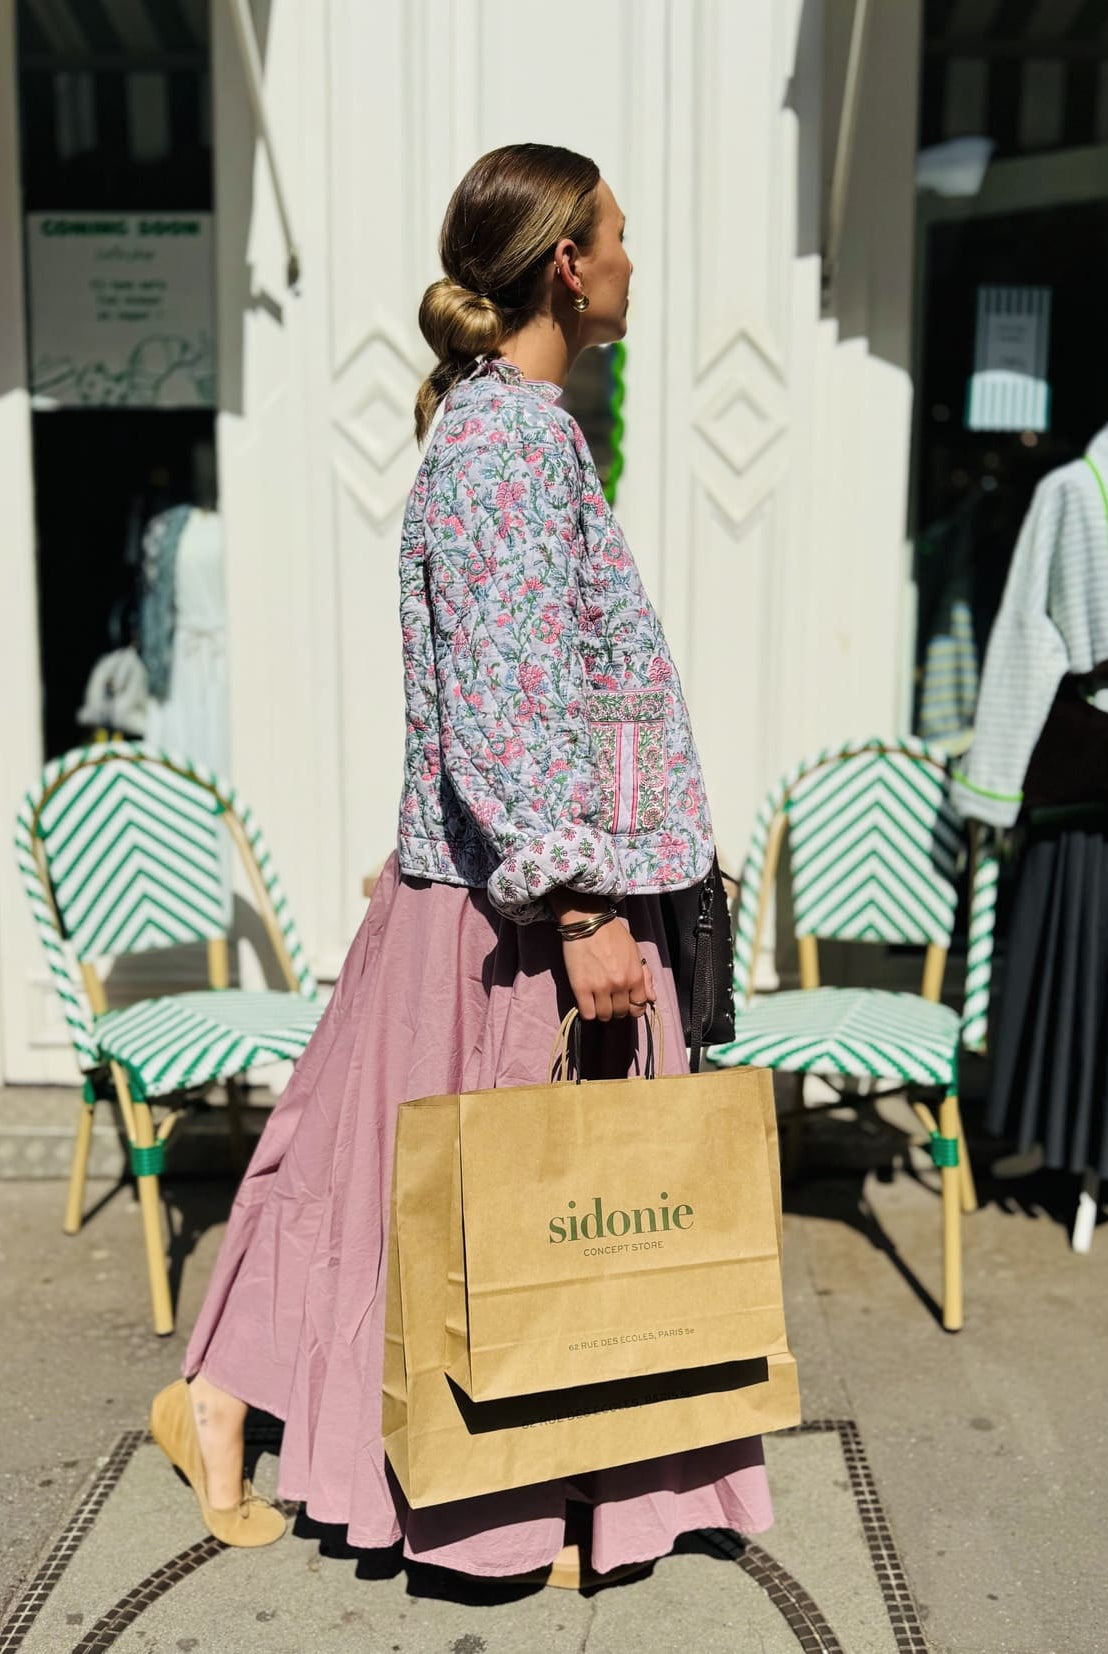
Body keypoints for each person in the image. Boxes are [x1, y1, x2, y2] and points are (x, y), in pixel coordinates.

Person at [150, 143, 773, 1579]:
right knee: (522, 1197)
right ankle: (497, 1483)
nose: (630, 260)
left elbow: (538, 685)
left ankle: (246, 1407)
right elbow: (506, 699)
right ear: (568, 262)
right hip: (518, 905)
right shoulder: (504, 445)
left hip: (482, 882)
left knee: (386, 1179)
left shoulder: (524, 430)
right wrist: (578, 902)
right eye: (616, 236)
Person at [951, 425, 1108, 1194]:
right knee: (1082, 960)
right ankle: (1073, 1142)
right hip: (1091, 778)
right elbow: (1025, 635)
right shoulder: (1073, 491)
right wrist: (997, 782)